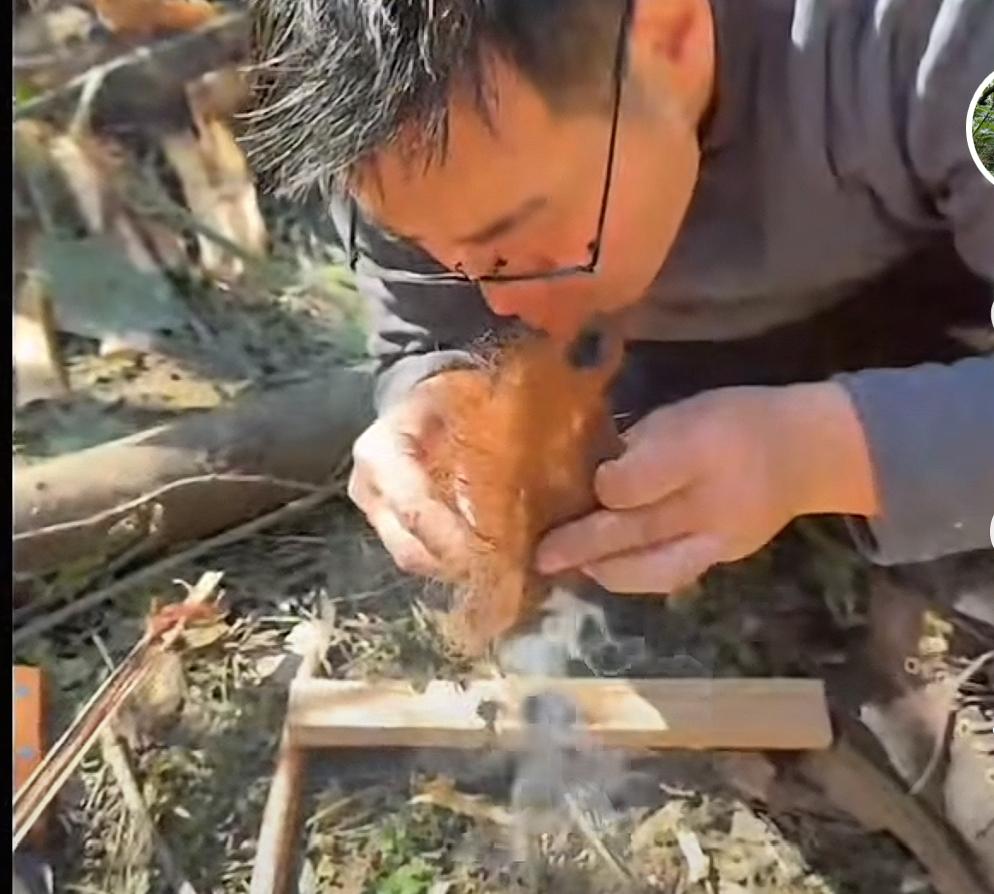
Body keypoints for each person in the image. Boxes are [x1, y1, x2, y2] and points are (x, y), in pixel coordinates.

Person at [249, 0, 993, 872]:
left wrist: (830, 451)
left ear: (669, 34)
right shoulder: (422, 117)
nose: (497, 303)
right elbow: (429, 315)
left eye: (512, 241)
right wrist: (435, 384)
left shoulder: (940, 39)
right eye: (444, 253)